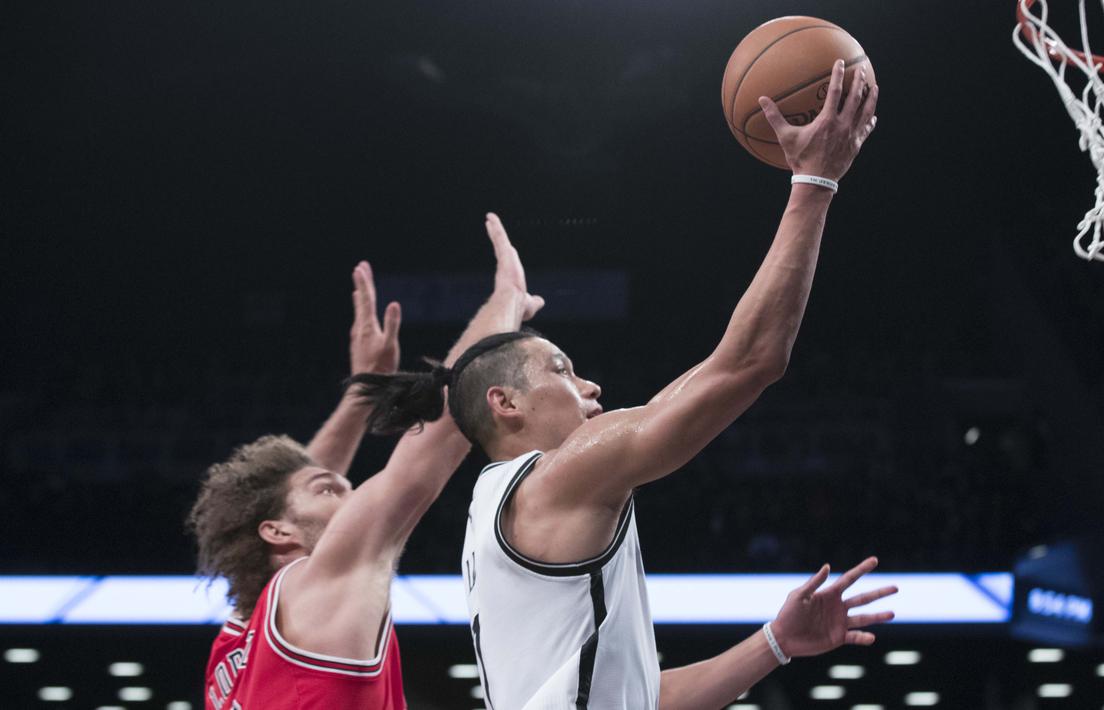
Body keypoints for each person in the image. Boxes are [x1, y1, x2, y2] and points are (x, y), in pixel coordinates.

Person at [353, 62, 895, 709]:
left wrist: (774, 644)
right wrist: (814, 183)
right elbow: (749, 363)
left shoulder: (505, 508)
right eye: (560, 368)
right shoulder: (555, 479)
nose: (589, 384)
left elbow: (638, 699)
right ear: (507, 405)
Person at [187, 215, 543, 710]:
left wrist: (360, 397)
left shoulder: (236, 643)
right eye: (333, 491)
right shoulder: (313, 587)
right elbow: (436, 438)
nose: (355, 495)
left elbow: (293, 482)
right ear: (277, 533)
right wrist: (506, 302)